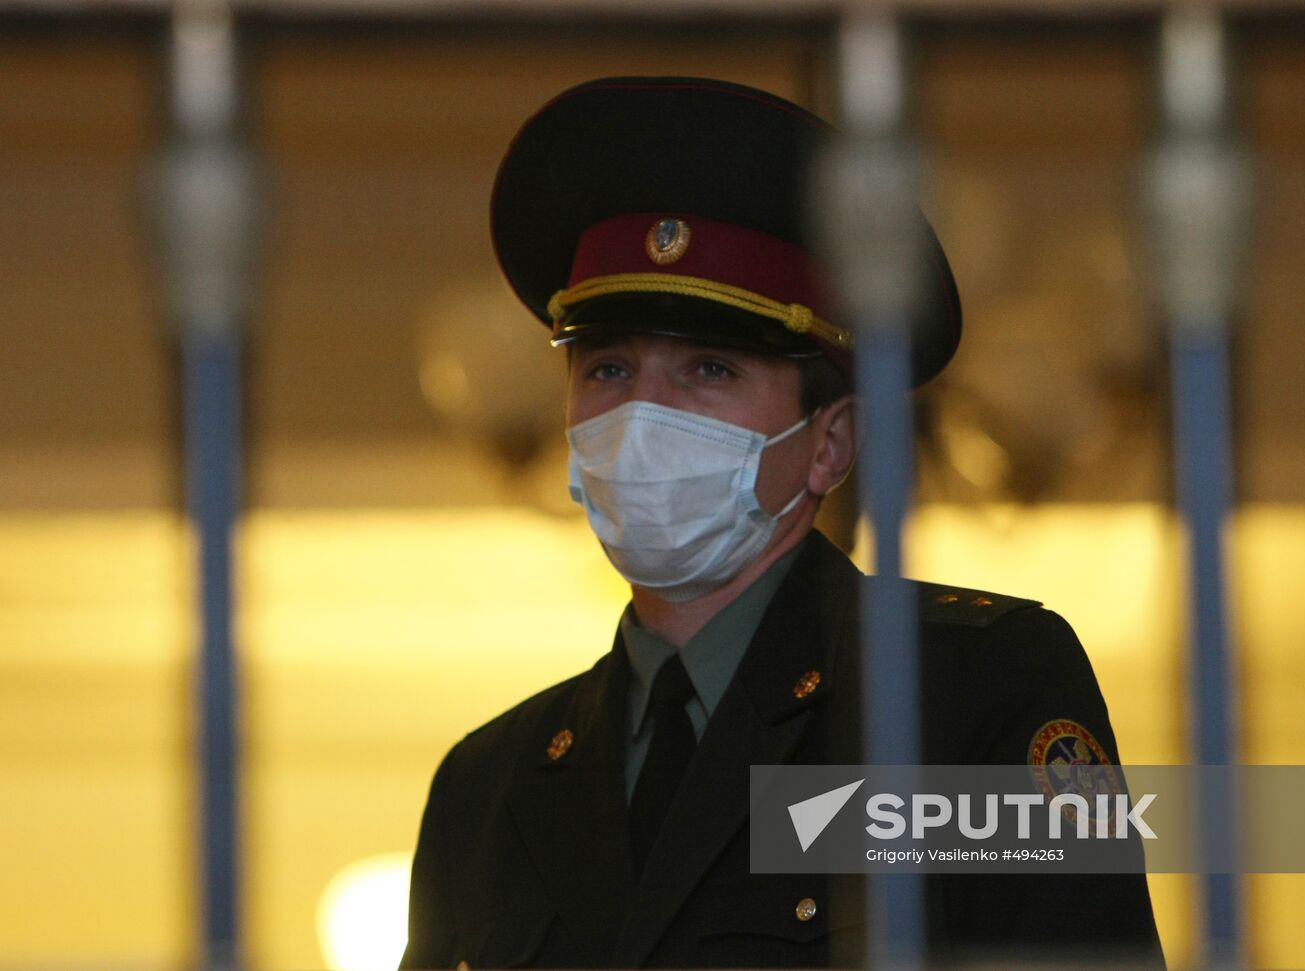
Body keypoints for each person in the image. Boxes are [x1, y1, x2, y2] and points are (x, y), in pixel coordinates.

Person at [401, 76, 1162, 969]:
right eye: (606, 370)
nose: (642, 416)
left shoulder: (966, 689)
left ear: (831, 442)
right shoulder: (490, 785)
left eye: (710, 370)